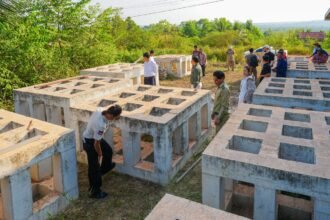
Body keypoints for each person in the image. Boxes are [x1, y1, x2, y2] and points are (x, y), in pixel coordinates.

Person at [83, 105, 122, 199]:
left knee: (108, 151)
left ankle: (104, 169)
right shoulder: (101, 125)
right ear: (112, 116)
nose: (117, 119)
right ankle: (94, 191)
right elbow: (96, 144)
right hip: (90, 142)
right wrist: (100, 154)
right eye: (117, 117)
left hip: (94, 137)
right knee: (94, 167)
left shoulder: (100, 110)